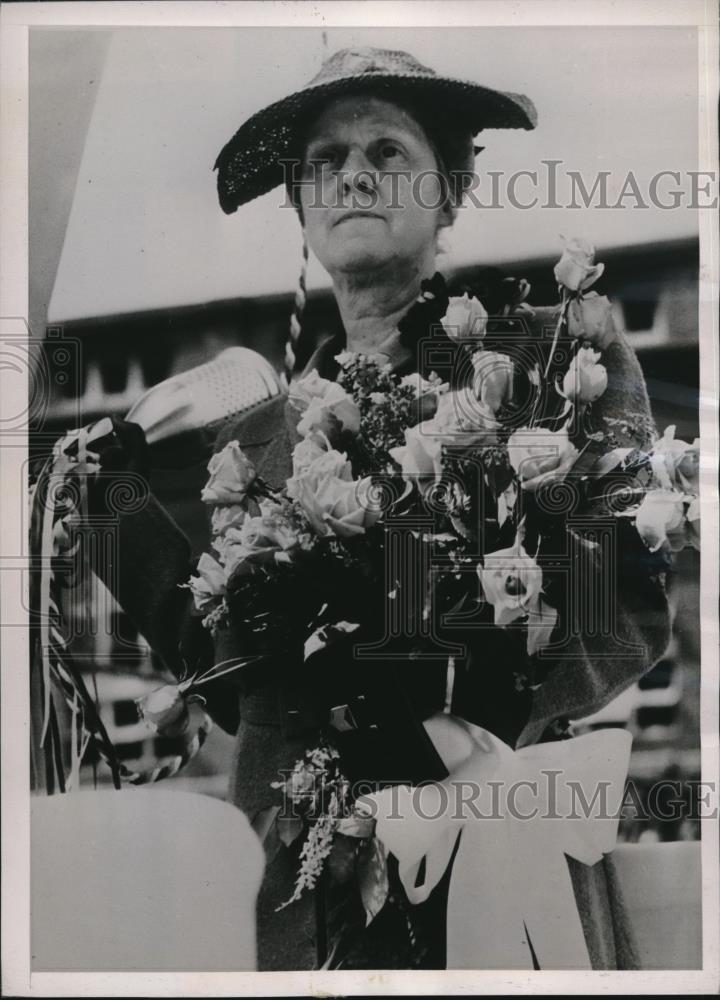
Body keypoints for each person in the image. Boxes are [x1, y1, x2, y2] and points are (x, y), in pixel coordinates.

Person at [77, 47, 671, 970]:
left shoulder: (545, 356)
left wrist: (471, 719)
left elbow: (623, 596)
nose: (352, 172)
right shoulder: (266, 433)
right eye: (324, 159)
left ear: (451, 191)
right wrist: (110, 512)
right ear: (304, 204)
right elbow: (240, 680)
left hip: (490, 851)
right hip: (302, 880)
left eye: (387, 151)